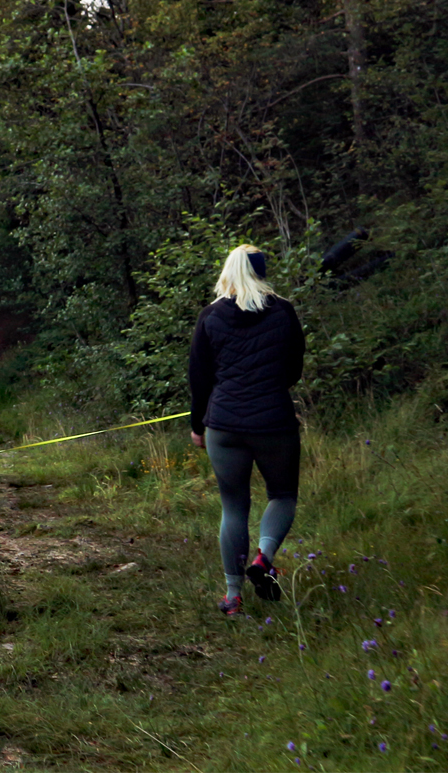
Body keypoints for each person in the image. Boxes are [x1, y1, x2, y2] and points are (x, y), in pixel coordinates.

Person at [188, 244, 306, 616]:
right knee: (283, 495)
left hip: (223, 424)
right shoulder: (283, 312)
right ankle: (263, 558)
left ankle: (233, 596)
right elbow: (293, 371)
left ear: (228, 270)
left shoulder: (209, 316)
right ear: (261, 271)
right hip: (274, 422)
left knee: (233, 506)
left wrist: (197, 425)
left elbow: (199, 378)